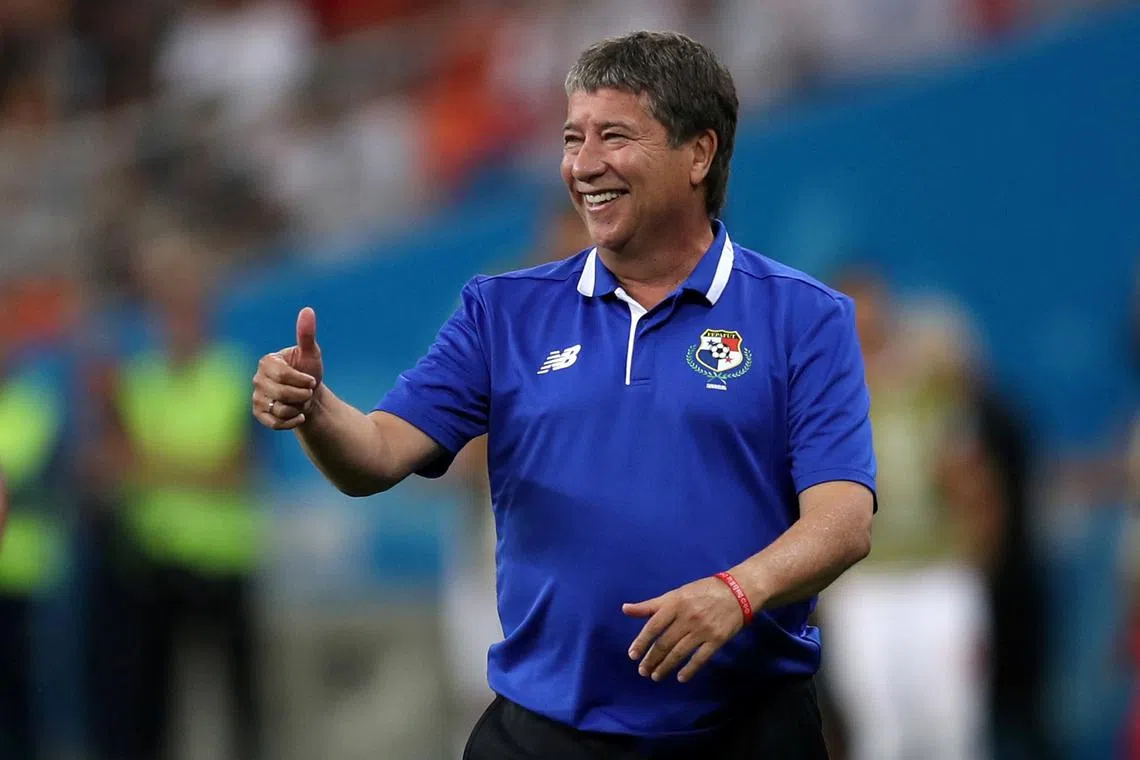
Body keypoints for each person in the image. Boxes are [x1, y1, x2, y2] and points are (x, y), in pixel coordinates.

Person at [252, 31, 876, 759]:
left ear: (699, 154)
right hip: (544, 734)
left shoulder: (804, 317)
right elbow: (379, 454)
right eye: (572, 138)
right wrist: (316, 410)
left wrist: (737, 592)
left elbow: (844, 520)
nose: (582, 165)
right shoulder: (501, 310)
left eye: (614, 135)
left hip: (743, 731)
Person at [100, 236, 264, 760]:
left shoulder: (235, 375)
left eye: (187, 309)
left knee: (241, 705)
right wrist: (192, 468)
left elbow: (237, 472)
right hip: (155, 565)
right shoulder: (137, 381)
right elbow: (109, 468)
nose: (178, 322)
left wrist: (155, 467)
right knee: (151, 708)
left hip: (223, 562)